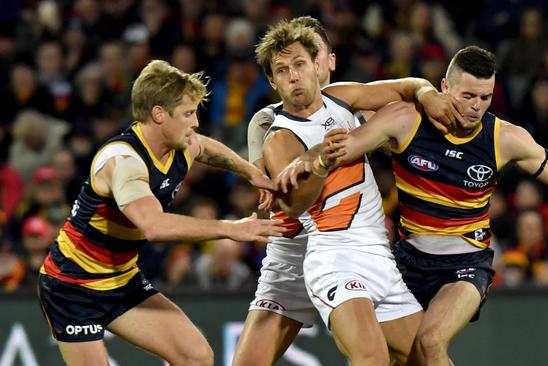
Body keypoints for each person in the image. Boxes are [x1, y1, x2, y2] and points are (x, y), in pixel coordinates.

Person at [281, 45, 548, 366]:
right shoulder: (405, 120)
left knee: (431, 342)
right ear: (444, 88)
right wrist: (302, 163)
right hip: (407, 261)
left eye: (485, 97)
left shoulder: (504, 138)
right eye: (468, 96)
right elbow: (343, 148)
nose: (476, 106)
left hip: (465, 264)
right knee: (389, 357)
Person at [37, 59, 286, 366]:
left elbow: (207, 148)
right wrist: (230, 228)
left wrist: (249, 171)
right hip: (72, 286)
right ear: (158, 114)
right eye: (187, 114)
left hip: (121, 279)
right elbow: (153, 226)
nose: (195, 122)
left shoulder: (181, 144)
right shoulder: (124, 162)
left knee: (196, 357)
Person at [252, 20, 463, 366]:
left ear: (316, 65)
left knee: (428, 356)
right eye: (282, 70)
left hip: (380, 258)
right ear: (273, 82)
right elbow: (293, 205)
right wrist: (320, 164)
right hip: (336, 259)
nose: (293, 75)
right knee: (371, 357)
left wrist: (427, 94)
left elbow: (406, 86)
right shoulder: (279, 137)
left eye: (300, 64)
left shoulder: (341, 97)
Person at [233, 16, 338, 366]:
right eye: (286, 66)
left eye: (310, 57)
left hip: (348, 254)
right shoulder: (268, 122)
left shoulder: (359, 111)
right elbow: (273, 190)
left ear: (326, 60)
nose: (298, 71)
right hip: (291, 257)